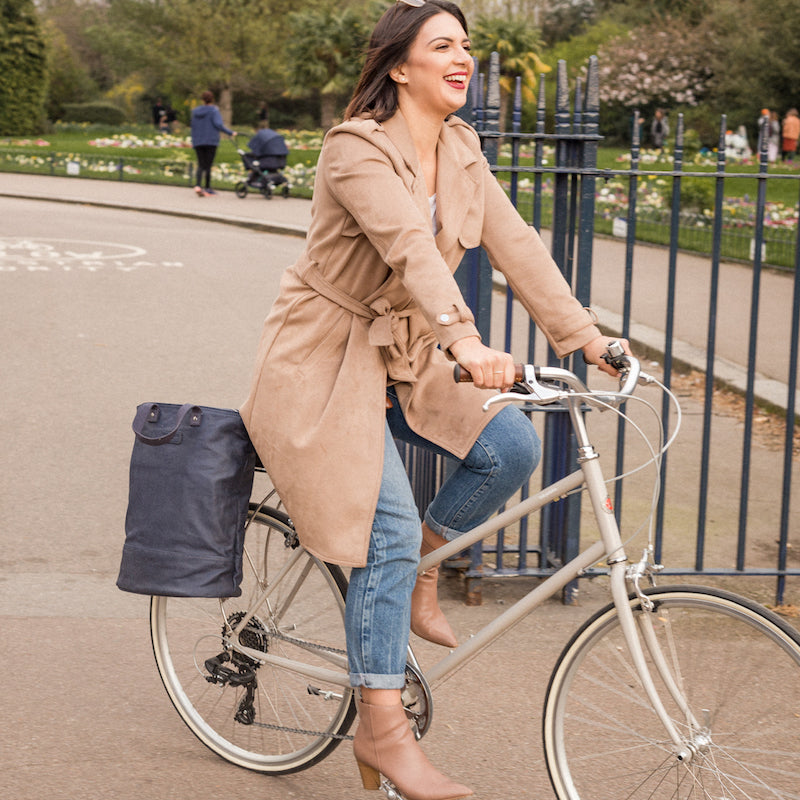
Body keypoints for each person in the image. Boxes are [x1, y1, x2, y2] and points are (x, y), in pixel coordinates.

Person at [240, 2, 630, 798]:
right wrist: (466, 341)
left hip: (404, 352)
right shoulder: (355, 147)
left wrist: (586, 338)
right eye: (443, 45)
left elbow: (516, 241)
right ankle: (381, 732)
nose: (463, 58)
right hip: (325, 357)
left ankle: (425, 563)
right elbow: (409, 248)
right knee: (382, 528)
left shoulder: (459, 147)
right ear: (398, 66)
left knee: (512, 447)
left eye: (467, 47)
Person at [190, 90, 236, 196]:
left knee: (201, 164)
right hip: (211, 140)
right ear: (212, 99)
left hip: (198, 141)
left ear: (202, 100)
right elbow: (218, 124)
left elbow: (193, 126)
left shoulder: (195, 112)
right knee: (208, 165)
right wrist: (230, 133)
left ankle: (197, 185)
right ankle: (207, 188)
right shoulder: (214, 110)